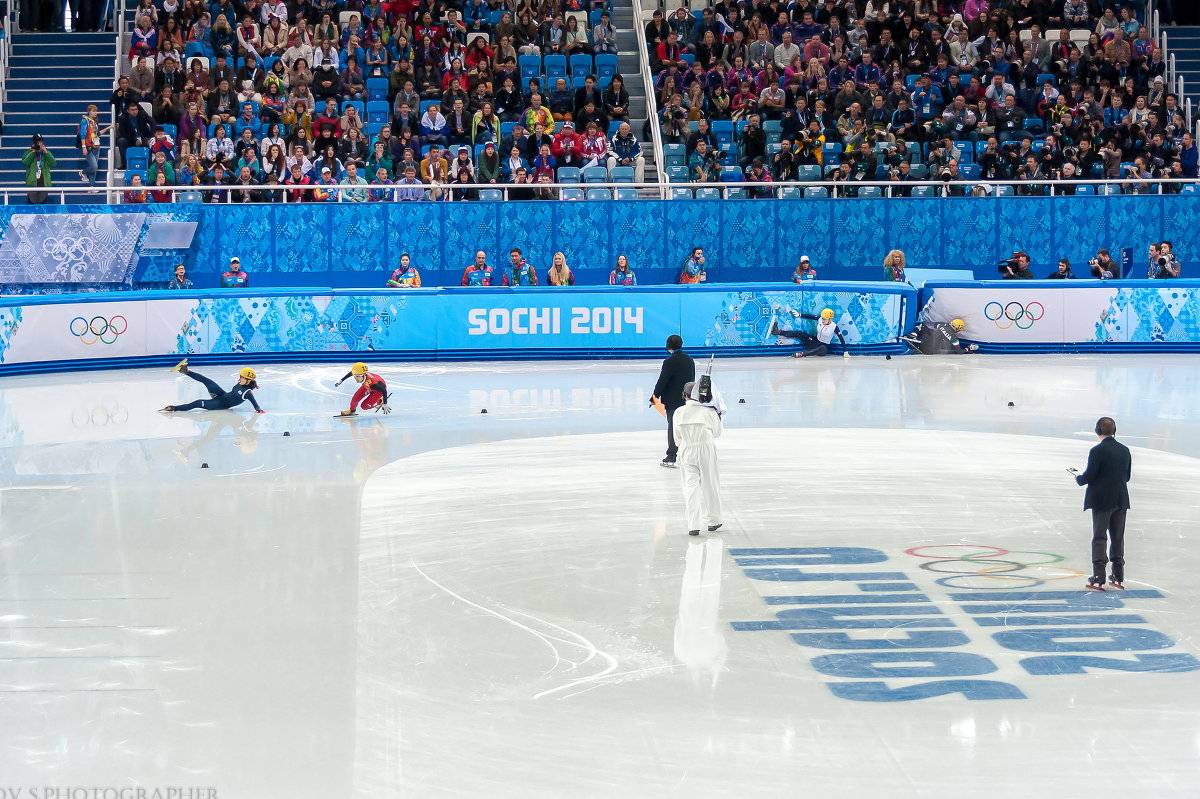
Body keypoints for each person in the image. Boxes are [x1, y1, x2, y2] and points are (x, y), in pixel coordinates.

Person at [1069, 417, 1132, 591]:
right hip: (1121, 500)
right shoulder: (1125, 450)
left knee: (1099, 537)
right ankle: (1118, 576)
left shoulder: (1097, 451)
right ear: (1114, 430)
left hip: (1102, 501)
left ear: (1098, 430)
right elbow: (1126, 477)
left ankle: (1098, 576)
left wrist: (1077, 477)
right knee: (1117, 538)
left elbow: (1089, 476)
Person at [674, 379, 724, 537]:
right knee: (710, 484)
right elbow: (717, 433)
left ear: (685, 395)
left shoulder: (678, 412)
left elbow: (677, 439)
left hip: (686, 449)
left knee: (690, 487)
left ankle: (693, 525)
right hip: (706, 448)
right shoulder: (709, 412)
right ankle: (714, 520)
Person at [651, 334, 695, 468]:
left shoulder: (669, 361)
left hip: (673, 400)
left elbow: (663, 380)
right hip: (688, 399)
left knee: (673, 427)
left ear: (668, 345)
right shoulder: (689, 359)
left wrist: (655, 396)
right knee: (687, 427)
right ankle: (690, 454)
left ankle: (672, 455)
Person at [161, 360, 264, 414]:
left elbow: (256, 406)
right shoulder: (241, 383)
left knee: (197, 402)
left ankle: (174, 408)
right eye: (240, 376)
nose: (240, 379)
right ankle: (186, 371)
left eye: (242, 377)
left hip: (220, 404)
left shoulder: (248, 393)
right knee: (207, 381)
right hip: (221, 395)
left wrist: (259, 410)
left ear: (248, 380)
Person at [771, 307, 850, 358]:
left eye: (825, 319)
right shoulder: (820, 319)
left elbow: (841, 339)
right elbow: (810, 316)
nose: (822, 320)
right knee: (800, 333)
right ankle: (778, 332)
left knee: (822, 348)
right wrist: (800, 314)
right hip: (815, 342)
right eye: (822, 318)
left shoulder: (834, 327)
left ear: (830, 319)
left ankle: (802, 354)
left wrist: (845, 352)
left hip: (823, 347)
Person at [78, 104, 111, 193]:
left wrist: (107, 128)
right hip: (88, 147)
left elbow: (97, 134)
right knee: (94, 166)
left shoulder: (94, 122)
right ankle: (83, 172)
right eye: (93, 111)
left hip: (96, 146)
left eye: (96, 111)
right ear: (89, 111)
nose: (95, 113)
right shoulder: (85, 121)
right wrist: (84, 147)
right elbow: (83, 134)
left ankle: (91, 187)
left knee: (94, 169)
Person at [902, 318, 979, 354]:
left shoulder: (941, 325)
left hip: (923, 339)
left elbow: (935, 325)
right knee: (950, 347)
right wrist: (968, 348)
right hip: (930, 350)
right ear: (958, 329)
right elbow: (959, 351)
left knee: (922, 324)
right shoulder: (954, 338)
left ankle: (914, 334)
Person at [22, 134, 56, 205]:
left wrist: (46, 152)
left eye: (40, 141)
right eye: (37, 142)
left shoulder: (46, 153)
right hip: (32, 184)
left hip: (43, 183)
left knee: (43, 206)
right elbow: (25, 163)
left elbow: (53, 163)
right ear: (33, 143)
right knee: (31, 206)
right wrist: (33, 152)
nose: (39, 143)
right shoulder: (28, 153)